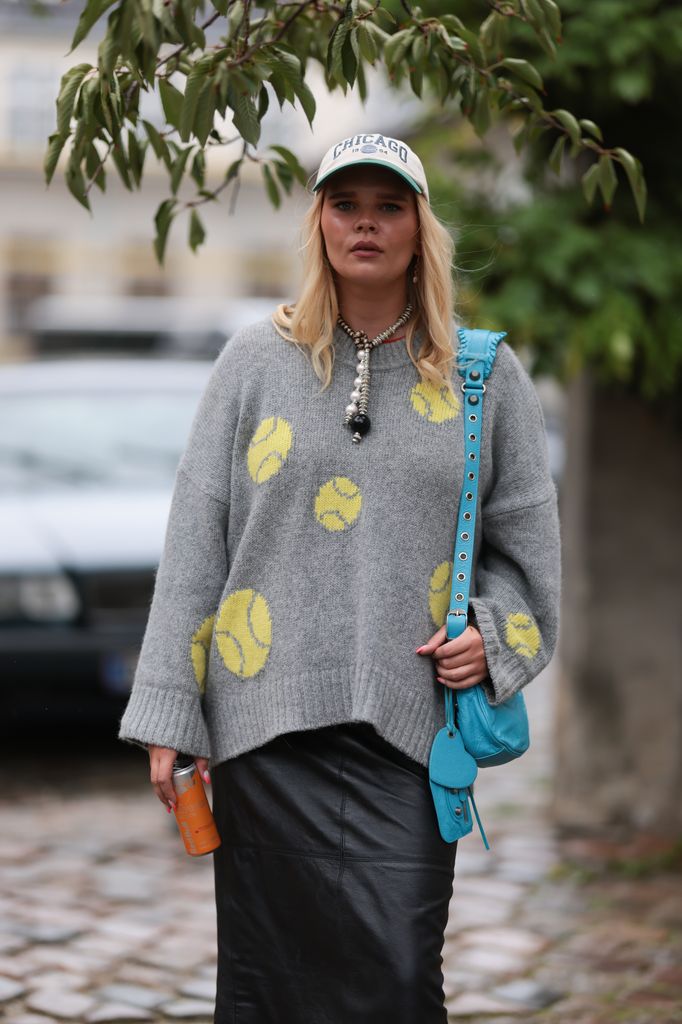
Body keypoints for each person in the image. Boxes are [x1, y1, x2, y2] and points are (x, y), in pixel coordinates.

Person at [118, 131, 561, 1024]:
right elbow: (197, 540)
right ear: (319, 223)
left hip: (408, 732)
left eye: (389, 206)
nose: (366, 223)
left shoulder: (482, 376)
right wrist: (170, 713)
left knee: (398, 983)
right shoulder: (251, 361)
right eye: (345, 205)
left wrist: (493, 635)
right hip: (263, 733)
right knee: (268, 988)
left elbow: (528, 550)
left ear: (419, 227)